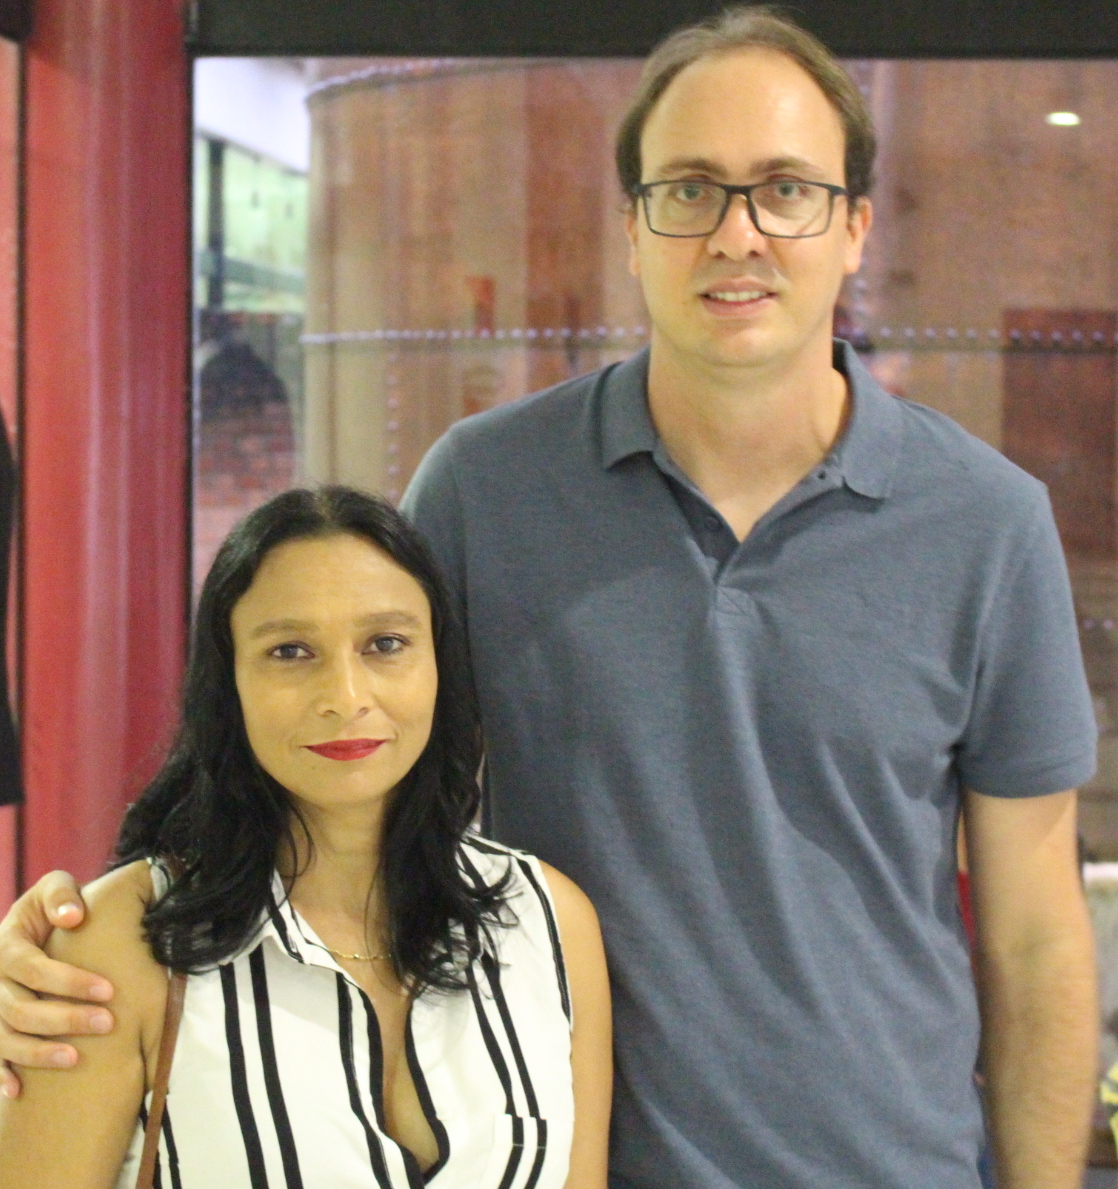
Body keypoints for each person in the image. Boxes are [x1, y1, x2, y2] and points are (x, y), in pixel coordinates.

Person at [0, 6, 1101, 1188]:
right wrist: (96, 933)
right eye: (688, 190)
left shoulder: (986, 522)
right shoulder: (485, 488)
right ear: (632, 225)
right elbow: (337, 757)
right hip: (561, 1159)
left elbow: (1035, 940)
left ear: (852, 227)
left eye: (785, 190)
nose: (735, 233)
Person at [0, 487, 611, 1188]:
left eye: (386, 644)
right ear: (228, 683)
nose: (345, 696)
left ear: (441, 663)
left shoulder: (548, 923)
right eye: (290, 651)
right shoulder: (118, 945)